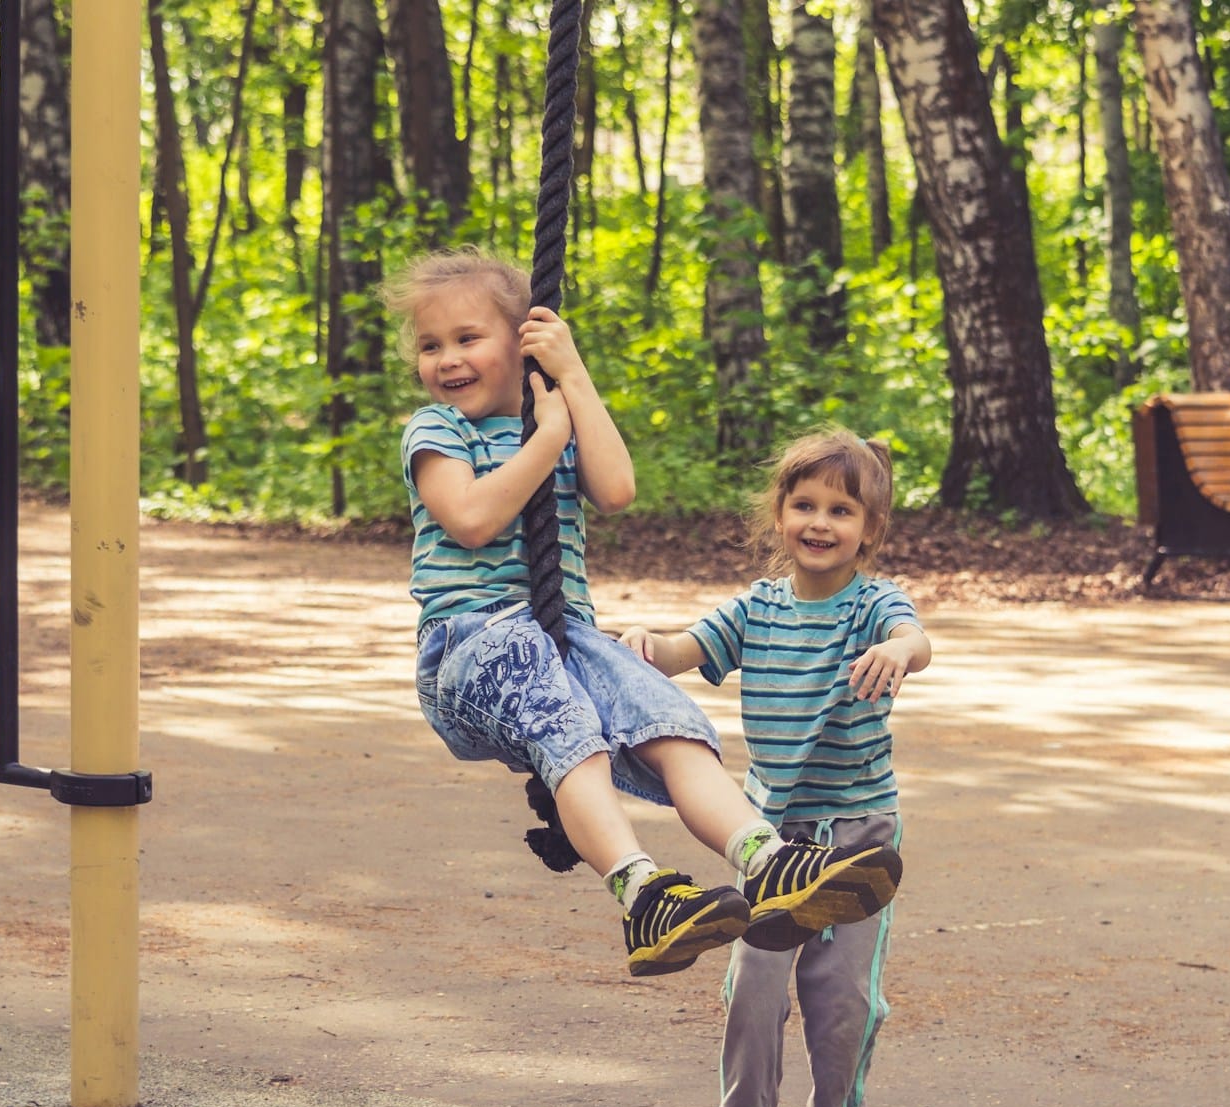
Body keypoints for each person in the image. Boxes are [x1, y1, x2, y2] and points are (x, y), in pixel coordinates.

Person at [384, 249, 902, 978]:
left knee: (670, 722)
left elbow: (618, 487)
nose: (446, 359)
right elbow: (469, 519)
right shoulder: (438, 430)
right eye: (431, 346)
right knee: (574, 736)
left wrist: (572, 380)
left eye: (468, 338)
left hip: (561, 637)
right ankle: (642, 891)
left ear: (525, 341)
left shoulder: (553, 414)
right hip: (472, 642)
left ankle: (768, 861)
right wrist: (548, 441)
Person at [618, 430, 929, 1107]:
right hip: (770, 841)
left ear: (870, 530)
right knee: (752, 986)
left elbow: (913, 637)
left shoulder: (873, 607)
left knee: (843, 1000)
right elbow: (682, 650)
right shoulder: (757, 607)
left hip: (858, 838)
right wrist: (634, 646)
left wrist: (901, 651)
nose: (820, 523)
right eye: (805, 505)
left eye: (842, 510)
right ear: (780, 514)